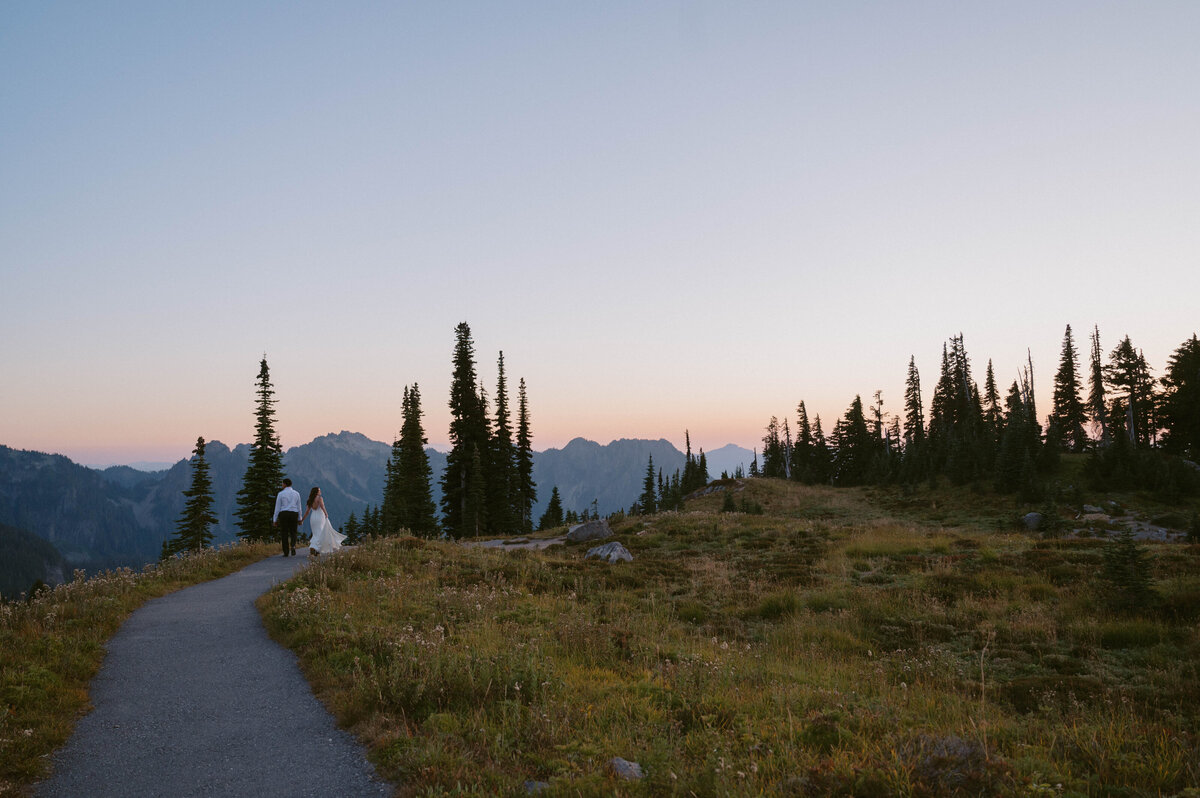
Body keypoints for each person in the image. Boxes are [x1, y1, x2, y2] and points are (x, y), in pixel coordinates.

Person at [300, 486, 345, 556]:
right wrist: (326, 513)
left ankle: (315, 547)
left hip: (313, 518)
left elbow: (307, 512)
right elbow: (322, 506)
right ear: (316, 492)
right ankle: (315, 547)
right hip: (320, 517)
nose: (320, 491)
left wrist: (302, 519)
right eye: (319, 490)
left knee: (315, 533)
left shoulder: (310, 500)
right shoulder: (320, 498)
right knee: (320, 533)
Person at [272, 478, 302, 556]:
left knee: (284, 532)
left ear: (285, 484)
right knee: (293, 532)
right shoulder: (296, 493)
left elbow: (277, 507)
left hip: (284, 514)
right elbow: (299, 507)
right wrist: (300, 518)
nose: (282, 485)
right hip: (294, 513)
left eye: (282, 484)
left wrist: (274, 519)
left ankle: (286, 551)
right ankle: (293, 546)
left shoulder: (281, 494)